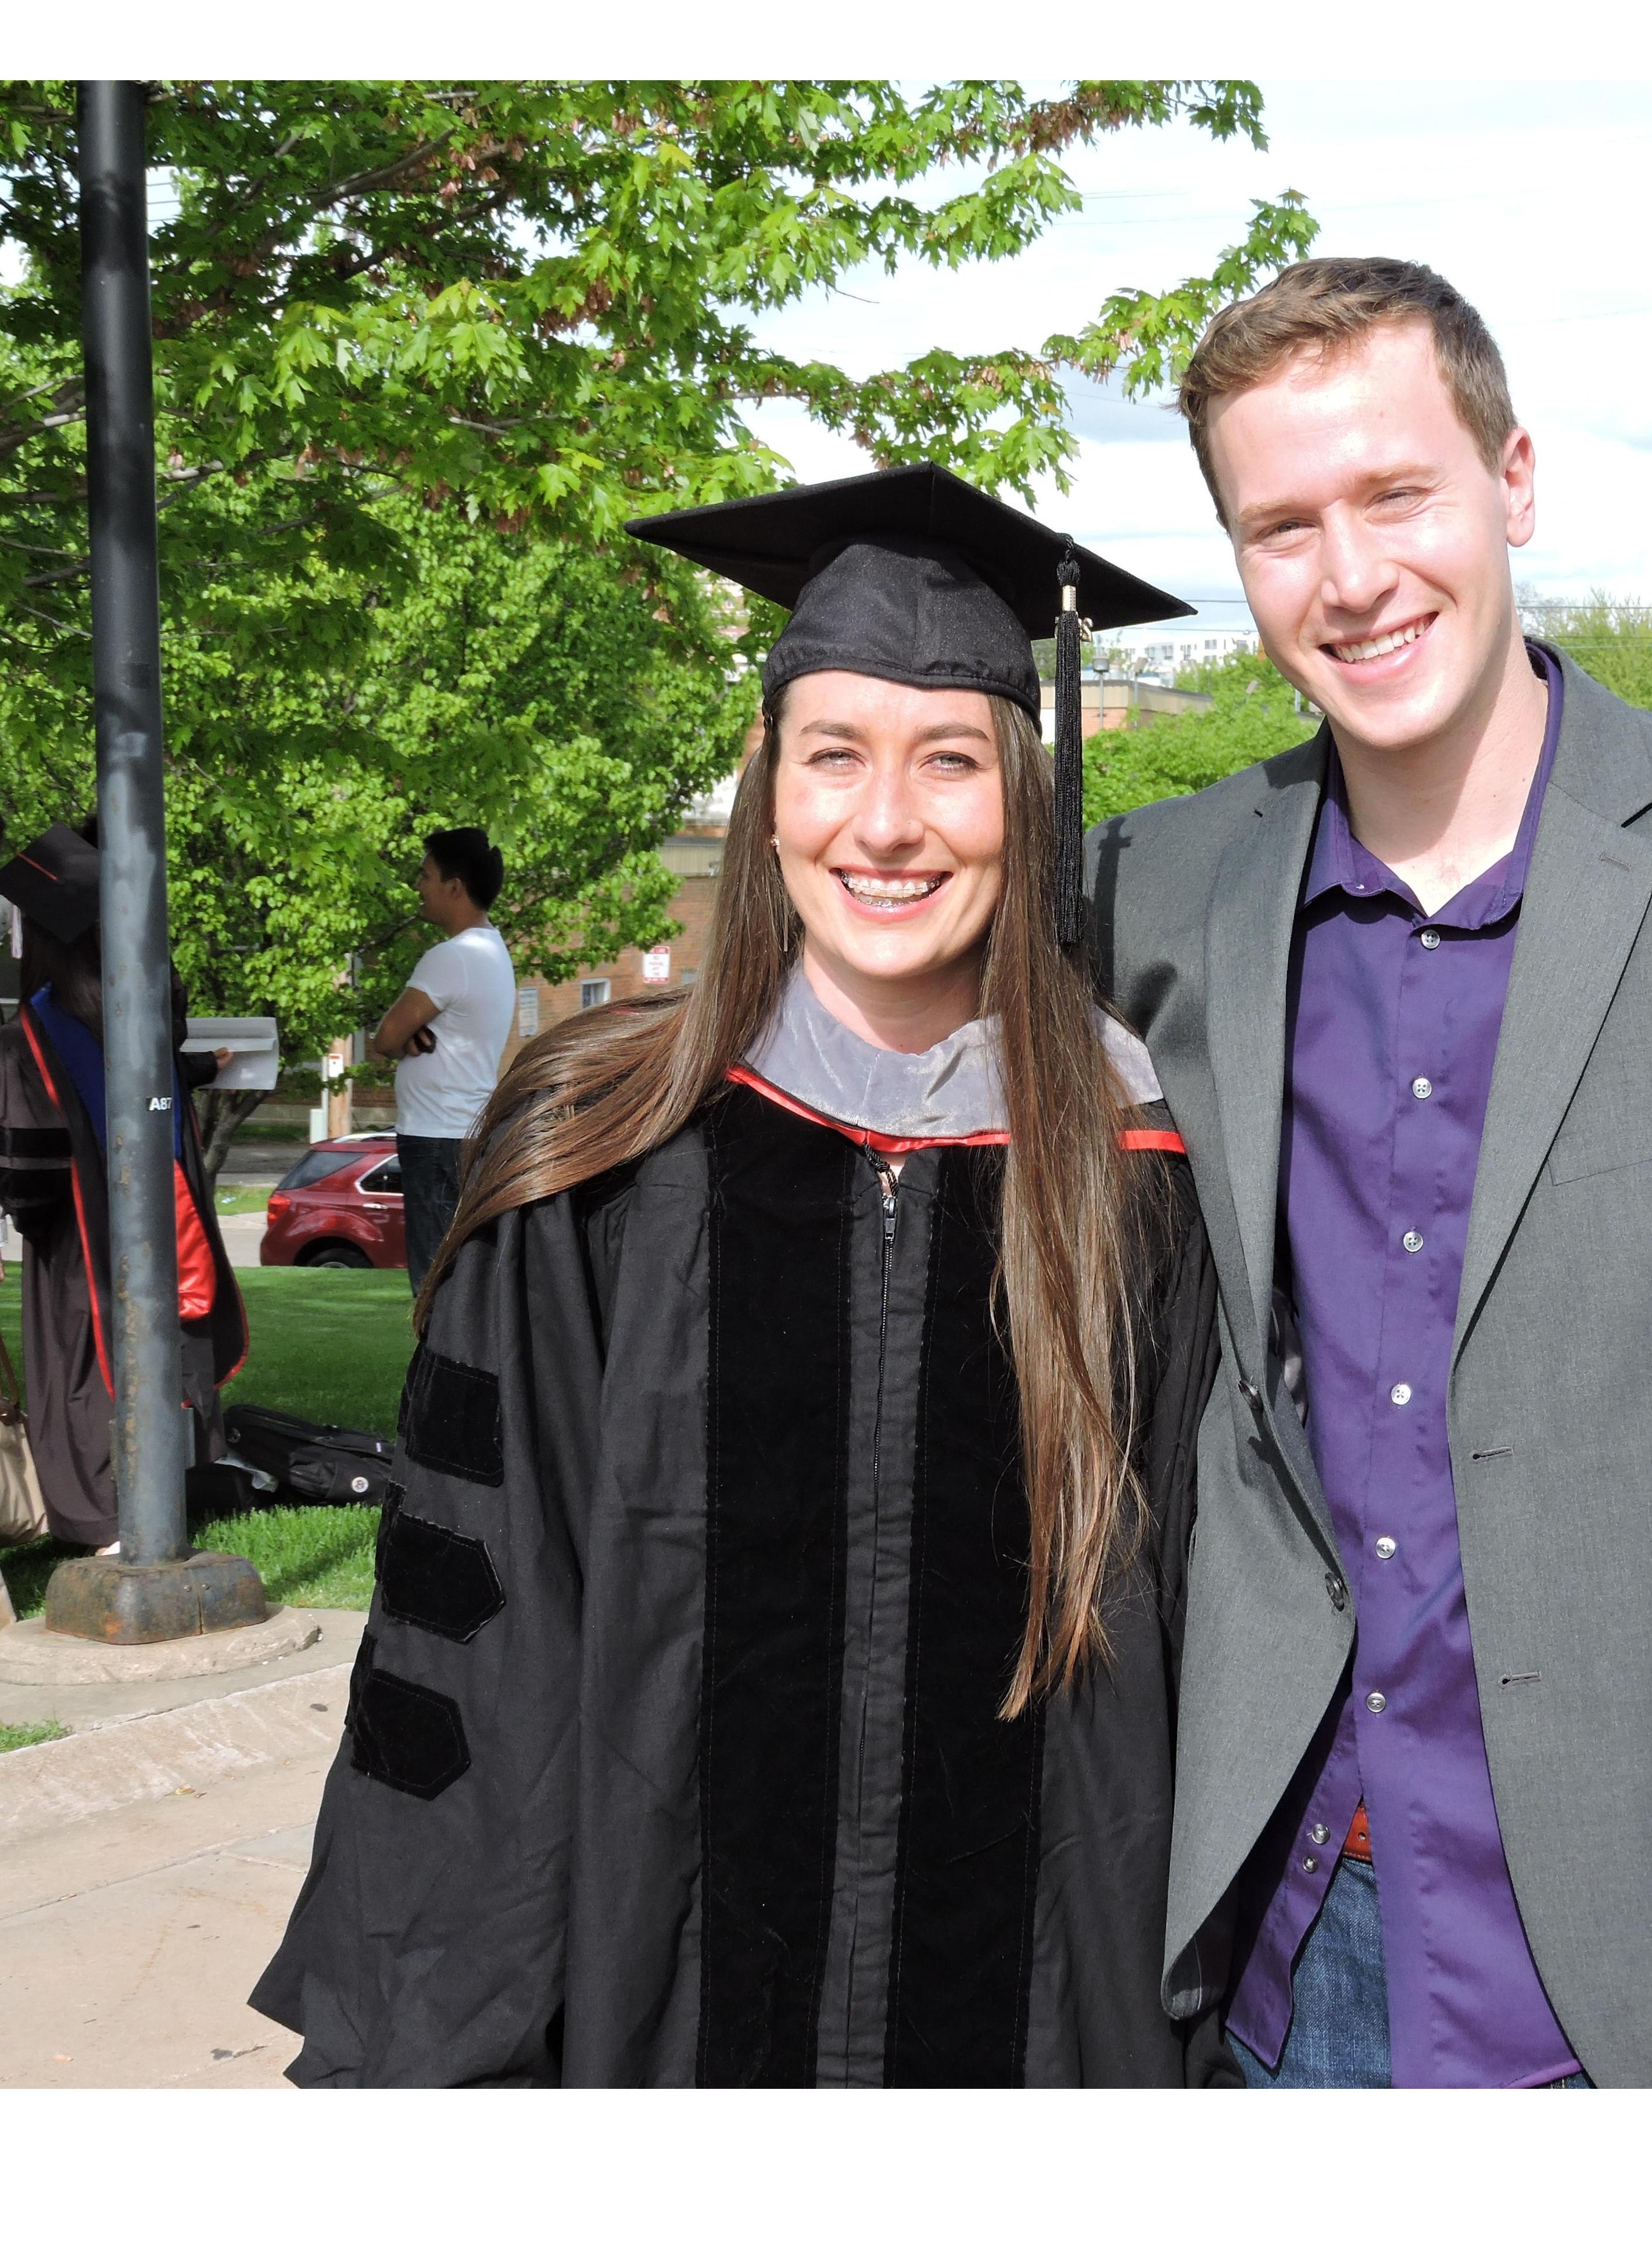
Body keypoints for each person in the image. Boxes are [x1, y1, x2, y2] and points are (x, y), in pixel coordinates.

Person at [1084, 259, 1652, 2089]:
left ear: (1511, 480)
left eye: (1392, 495)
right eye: (1279, 527)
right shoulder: (1161, 892)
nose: (1346, 577)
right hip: (1275, 1938)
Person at [252, 465, 1235, 2087]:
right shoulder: (600, 1164)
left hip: (1055, 2037)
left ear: (1025, 803)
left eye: (949, 761)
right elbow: (472, 1646)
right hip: (655, 2030)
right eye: (833, 755)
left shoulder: (1142, 1185)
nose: (887, 820)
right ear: (767, 792)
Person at [0, 821, 249, 1550]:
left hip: (82, 1238)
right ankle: (168, 1488)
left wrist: (27, 1206)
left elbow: (28, 1176)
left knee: (87, 1359)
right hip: (168, 1217)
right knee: (163, 1342)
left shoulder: (35, 1034)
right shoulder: (135, 1008)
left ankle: (101, 1515)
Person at [370, 828, 514, 1292]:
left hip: (437, 1139)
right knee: (463, 1275)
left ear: (454, 886)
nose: (418, 886)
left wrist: (403, 1037)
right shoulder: (492, 949)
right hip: (465, 1131)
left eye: (426, 875)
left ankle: (442, 1362)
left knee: (436, 1280)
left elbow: (387, 1037)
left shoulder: (453, 956)